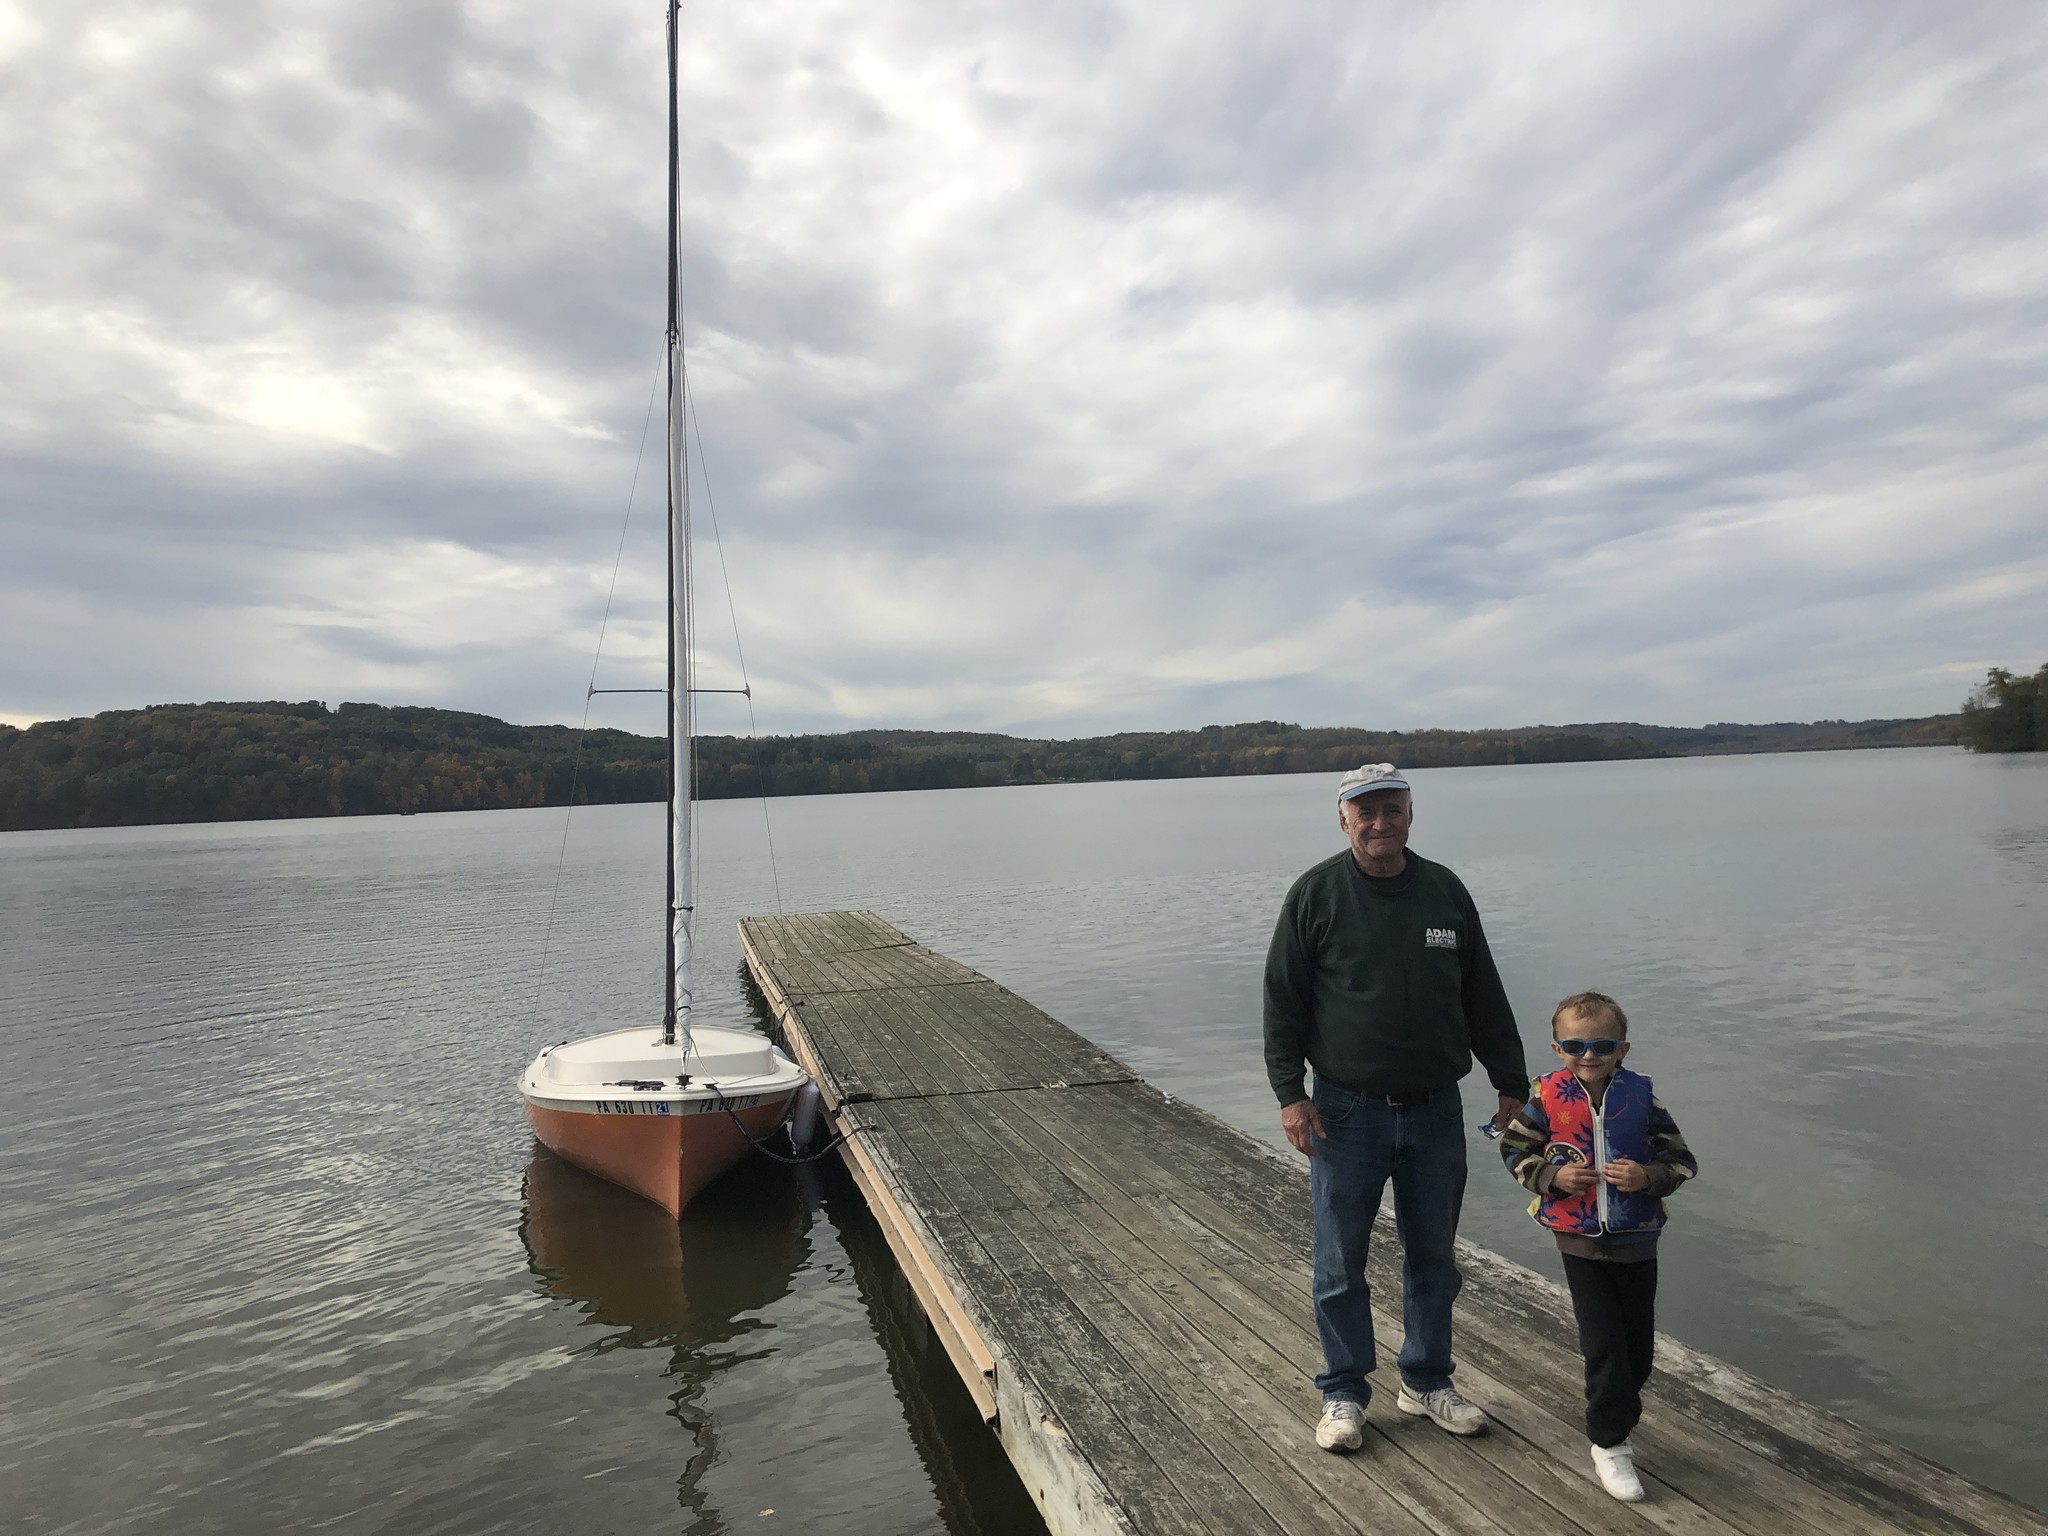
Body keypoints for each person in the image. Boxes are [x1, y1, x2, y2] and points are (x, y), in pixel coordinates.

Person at [1264, 763, 1529, 1454]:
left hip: (1436, 1110)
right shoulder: (1315, 895)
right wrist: (1291, 1094)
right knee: (1339, 1261)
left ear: (1411, 813)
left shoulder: (1444, 892)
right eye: (1365, 812)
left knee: (1434, 1257)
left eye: (1392, 809)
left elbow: (1484, 993)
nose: (1380, 823)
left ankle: (1426, 1380)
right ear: (1343, 819)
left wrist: (1512, 1081)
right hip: (1344, 1114)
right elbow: (1282, 1004)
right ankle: (1344, 1393)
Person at [1498, 990, 1698, 1502]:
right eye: (1574, 1047)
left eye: (1602, 1046)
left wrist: (1647, 1175)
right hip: (1579, 1244)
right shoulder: (1545, 1099)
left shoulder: (1642, 1097)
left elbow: (1681, 1160)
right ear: (1557, 1048)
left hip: (1638, 1242)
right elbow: (1514, 1148)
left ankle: (1618, 1414)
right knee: (1604, 1344)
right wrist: (1552, 1175)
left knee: (1638, 1353)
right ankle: (1610, 1442)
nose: (1588, 1056)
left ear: (1623, 1050)